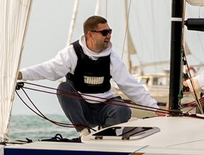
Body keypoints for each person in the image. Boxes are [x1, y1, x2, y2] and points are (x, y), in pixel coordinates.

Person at [18, 16, 158, 133]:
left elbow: (131, 86)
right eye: (104, 33)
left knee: (123, 110)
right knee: (63, 88)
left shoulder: (112, 59)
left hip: (105, 108)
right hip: (82, 110)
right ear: (90, 34)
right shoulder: (72, 53)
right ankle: (84, 133)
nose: (108, 35)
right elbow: (49, 69)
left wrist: (156, 109)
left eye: (109, 32)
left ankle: (106, 134)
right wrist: (21, 75)